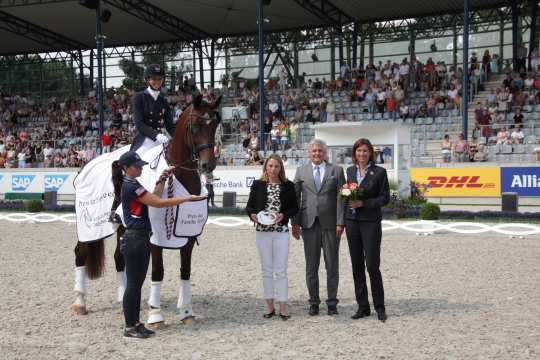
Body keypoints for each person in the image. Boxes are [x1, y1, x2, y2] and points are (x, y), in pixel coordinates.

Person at [112, 151, 206, 339]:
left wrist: (162, 179)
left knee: (137, 284)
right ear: (125, 168)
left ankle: (136, 323)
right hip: (135, 238)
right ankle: (129, 326)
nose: (141, 168)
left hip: (140, 237)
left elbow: (153, 195)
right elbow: (159, 202)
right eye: (136, 166)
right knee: (133, 285)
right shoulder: (131, 185)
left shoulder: (134, 183)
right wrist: (187, 198)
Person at [291, 139, 345, 316]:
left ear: (325, 153)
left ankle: (332, 303)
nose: (317, 154)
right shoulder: (301, 171)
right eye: (314, 151)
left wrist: (340, 222)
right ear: (309, 153)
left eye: (320, 151)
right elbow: (295, 199)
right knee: (311, 266)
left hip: (331, 226)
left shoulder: (336, 170)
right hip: (309, 224)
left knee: (332, 265)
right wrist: (295, 223)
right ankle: (313, 302)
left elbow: (341, 198)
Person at [245, 154, 298, 320]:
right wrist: (252, 215)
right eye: (270, 166)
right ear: (265, 167)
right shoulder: (258, 185)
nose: (273, 169)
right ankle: (269, 307)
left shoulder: (288, 185)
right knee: (266, 270)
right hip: (262, 233)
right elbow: (249, 206)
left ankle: (283, 306)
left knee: (281, 271)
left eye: (276, 166)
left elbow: (294, 208)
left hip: (281, 232)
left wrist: (283, 215)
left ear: (281, 168)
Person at [344, 138, 390, 322]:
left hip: (370, 222)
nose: (361, 154)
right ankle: (363, 306)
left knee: (372, 265)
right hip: (352, 222)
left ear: (370, 153)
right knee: (356, 266)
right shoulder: (349, 171)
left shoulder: (379, 172)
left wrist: (364, 203)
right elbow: (346, 193)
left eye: (365, 151)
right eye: (358, 151)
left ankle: (380, 306)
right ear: (354, 153)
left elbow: (385, 198)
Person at [131, 64, 176, 152]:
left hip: (161, 138)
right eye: (154, 79)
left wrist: (179, 137)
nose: (157, 82)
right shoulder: (139, 97)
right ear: (147, 80)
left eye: (160, 79)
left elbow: (170, 126)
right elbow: (139, 124)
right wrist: (155, 135)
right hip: (145, 138)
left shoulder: (163, 101)